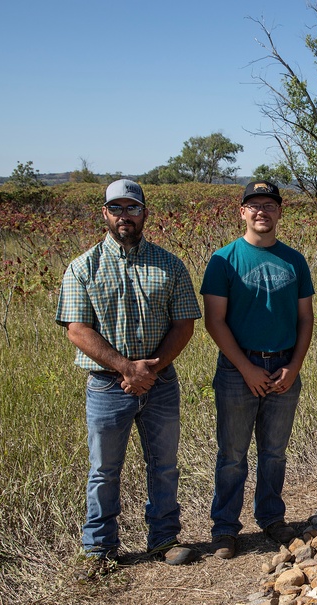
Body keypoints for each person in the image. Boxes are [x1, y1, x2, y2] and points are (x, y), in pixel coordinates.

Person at [56, 179, 201, 576]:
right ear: (104, 214)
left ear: (144, 214)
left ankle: (164, 539)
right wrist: (126, 368)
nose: (125, 216)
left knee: (165, 464)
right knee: (104, 469)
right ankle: (100, 549)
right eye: (117, 208)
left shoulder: (169, 264)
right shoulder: (83, 266)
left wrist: (149, 370)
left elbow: (184, 323)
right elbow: (77, 330)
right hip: (107, 385)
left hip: (160, 382)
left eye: (132, 208)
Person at [201, 180, 314, 556]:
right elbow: (214, 320)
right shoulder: (225, 259)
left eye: (269, 205)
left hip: (283, 365)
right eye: (254, 205)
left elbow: (306, 318)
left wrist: (294, 366)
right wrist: (246, 368)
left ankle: (271, 517)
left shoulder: (294, 260)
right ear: (242, 212)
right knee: (232, 454)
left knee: (274, 452)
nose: (262, 211)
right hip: (238, 368)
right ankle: (226, 528)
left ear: (280, 212)